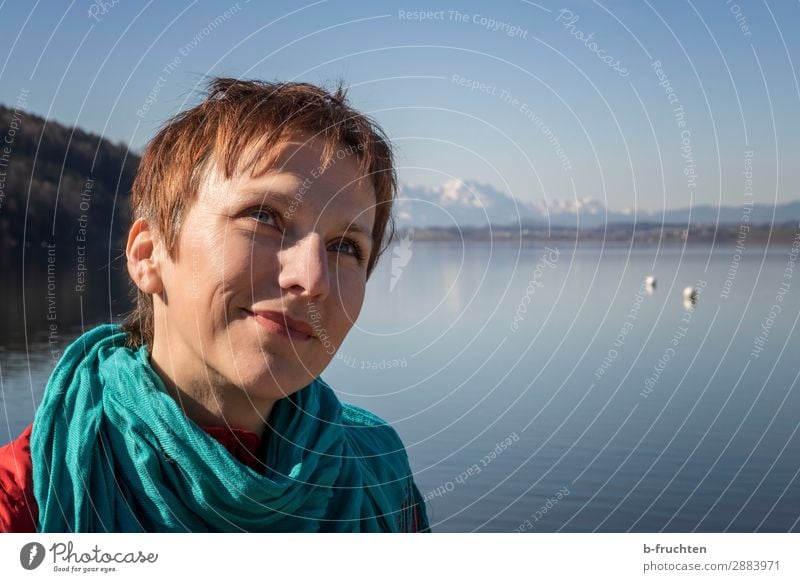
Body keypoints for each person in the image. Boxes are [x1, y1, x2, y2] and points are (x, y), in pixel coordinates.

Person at [0, 77, 429, 533]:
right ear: (148, 254)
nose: (312, 279)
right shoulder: (27, 500)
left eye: (345, 247)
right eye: (264, 217)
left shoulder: (380, 479)